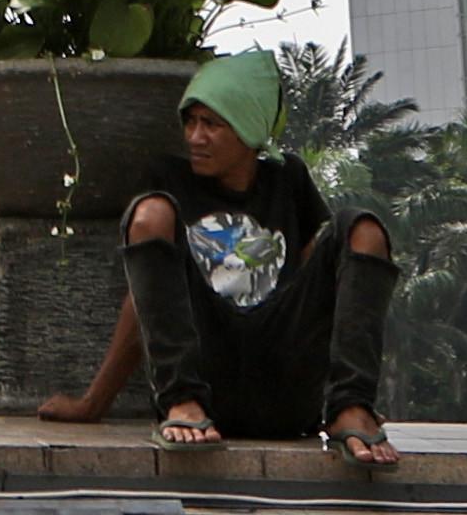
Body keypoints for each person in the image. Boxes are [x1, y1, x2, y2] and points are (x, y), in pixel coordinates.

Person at [32, 50, 401, 469]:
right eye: (190, 122)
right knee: (151, 212)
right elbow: (147, 301)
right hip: (205, 387)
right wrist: (93, 403)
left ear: (248, 127)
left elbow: (322, 294)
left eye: (211, 124)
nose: (195, 137)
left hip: (284, 387)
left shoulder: (289, 180)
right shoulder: (169, 179)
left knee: (363, 229)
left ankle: (351, 408)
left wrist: (344, 385)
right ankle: (181, 402)